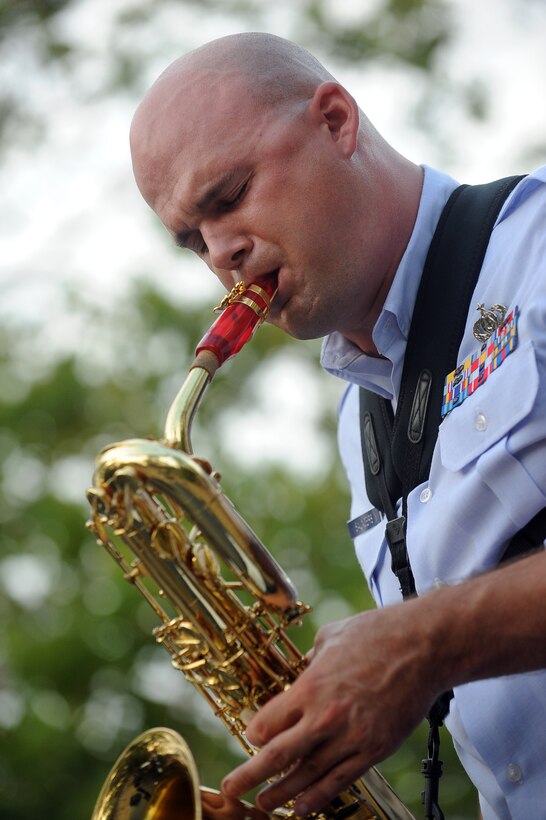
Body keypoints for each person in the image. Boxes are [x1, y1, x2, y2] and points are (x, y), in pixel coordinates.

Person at [128, 32, 546, 819]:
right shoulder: (363, 414)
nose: (222, 251)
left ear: (335, 121)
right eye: (192, 239)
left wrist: (422, 645)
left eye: (228, 196)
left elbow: (432, 645)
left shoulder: (537, 251)